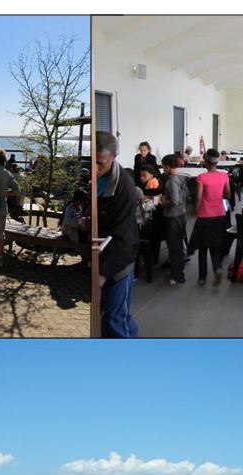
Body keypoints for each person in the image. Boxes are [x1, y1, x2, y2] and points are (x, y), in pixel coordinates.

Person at [96, 131, 140, 337]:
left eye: (101, 163)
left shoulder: (125, 188)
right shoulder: (94, 177)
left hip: (119, 261)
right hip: (100, 255)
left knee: (116, 320)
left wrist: (103, 273)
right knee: (110, 318)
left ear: (114, 156)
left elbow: (123, 236)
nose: (95, 169)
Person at [192, 148, 231, 286]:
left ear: (205, 162)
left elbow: (198, 197)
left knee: (203, 248)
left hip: (204, 216)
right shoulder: (224, 176)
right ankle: (217, 268)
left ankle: (202, 277)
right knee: (215, 245)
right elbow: (228, 194)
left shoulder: (202, 177)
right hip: (219, 214)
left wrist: (196, 210)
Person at [160, 154, 189, 285]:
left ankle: (177, 277)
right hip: (182, 214)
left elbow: (174, 200)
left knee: (174, 248)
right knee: (177, 246)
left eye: (163, 167)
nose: (162, 170)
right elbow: (186, 197)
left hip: (173, 216)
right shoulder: (182, 178)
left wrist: (163, 201)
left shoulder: (171, 181)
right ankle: (177, 272)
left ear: (167, 167)